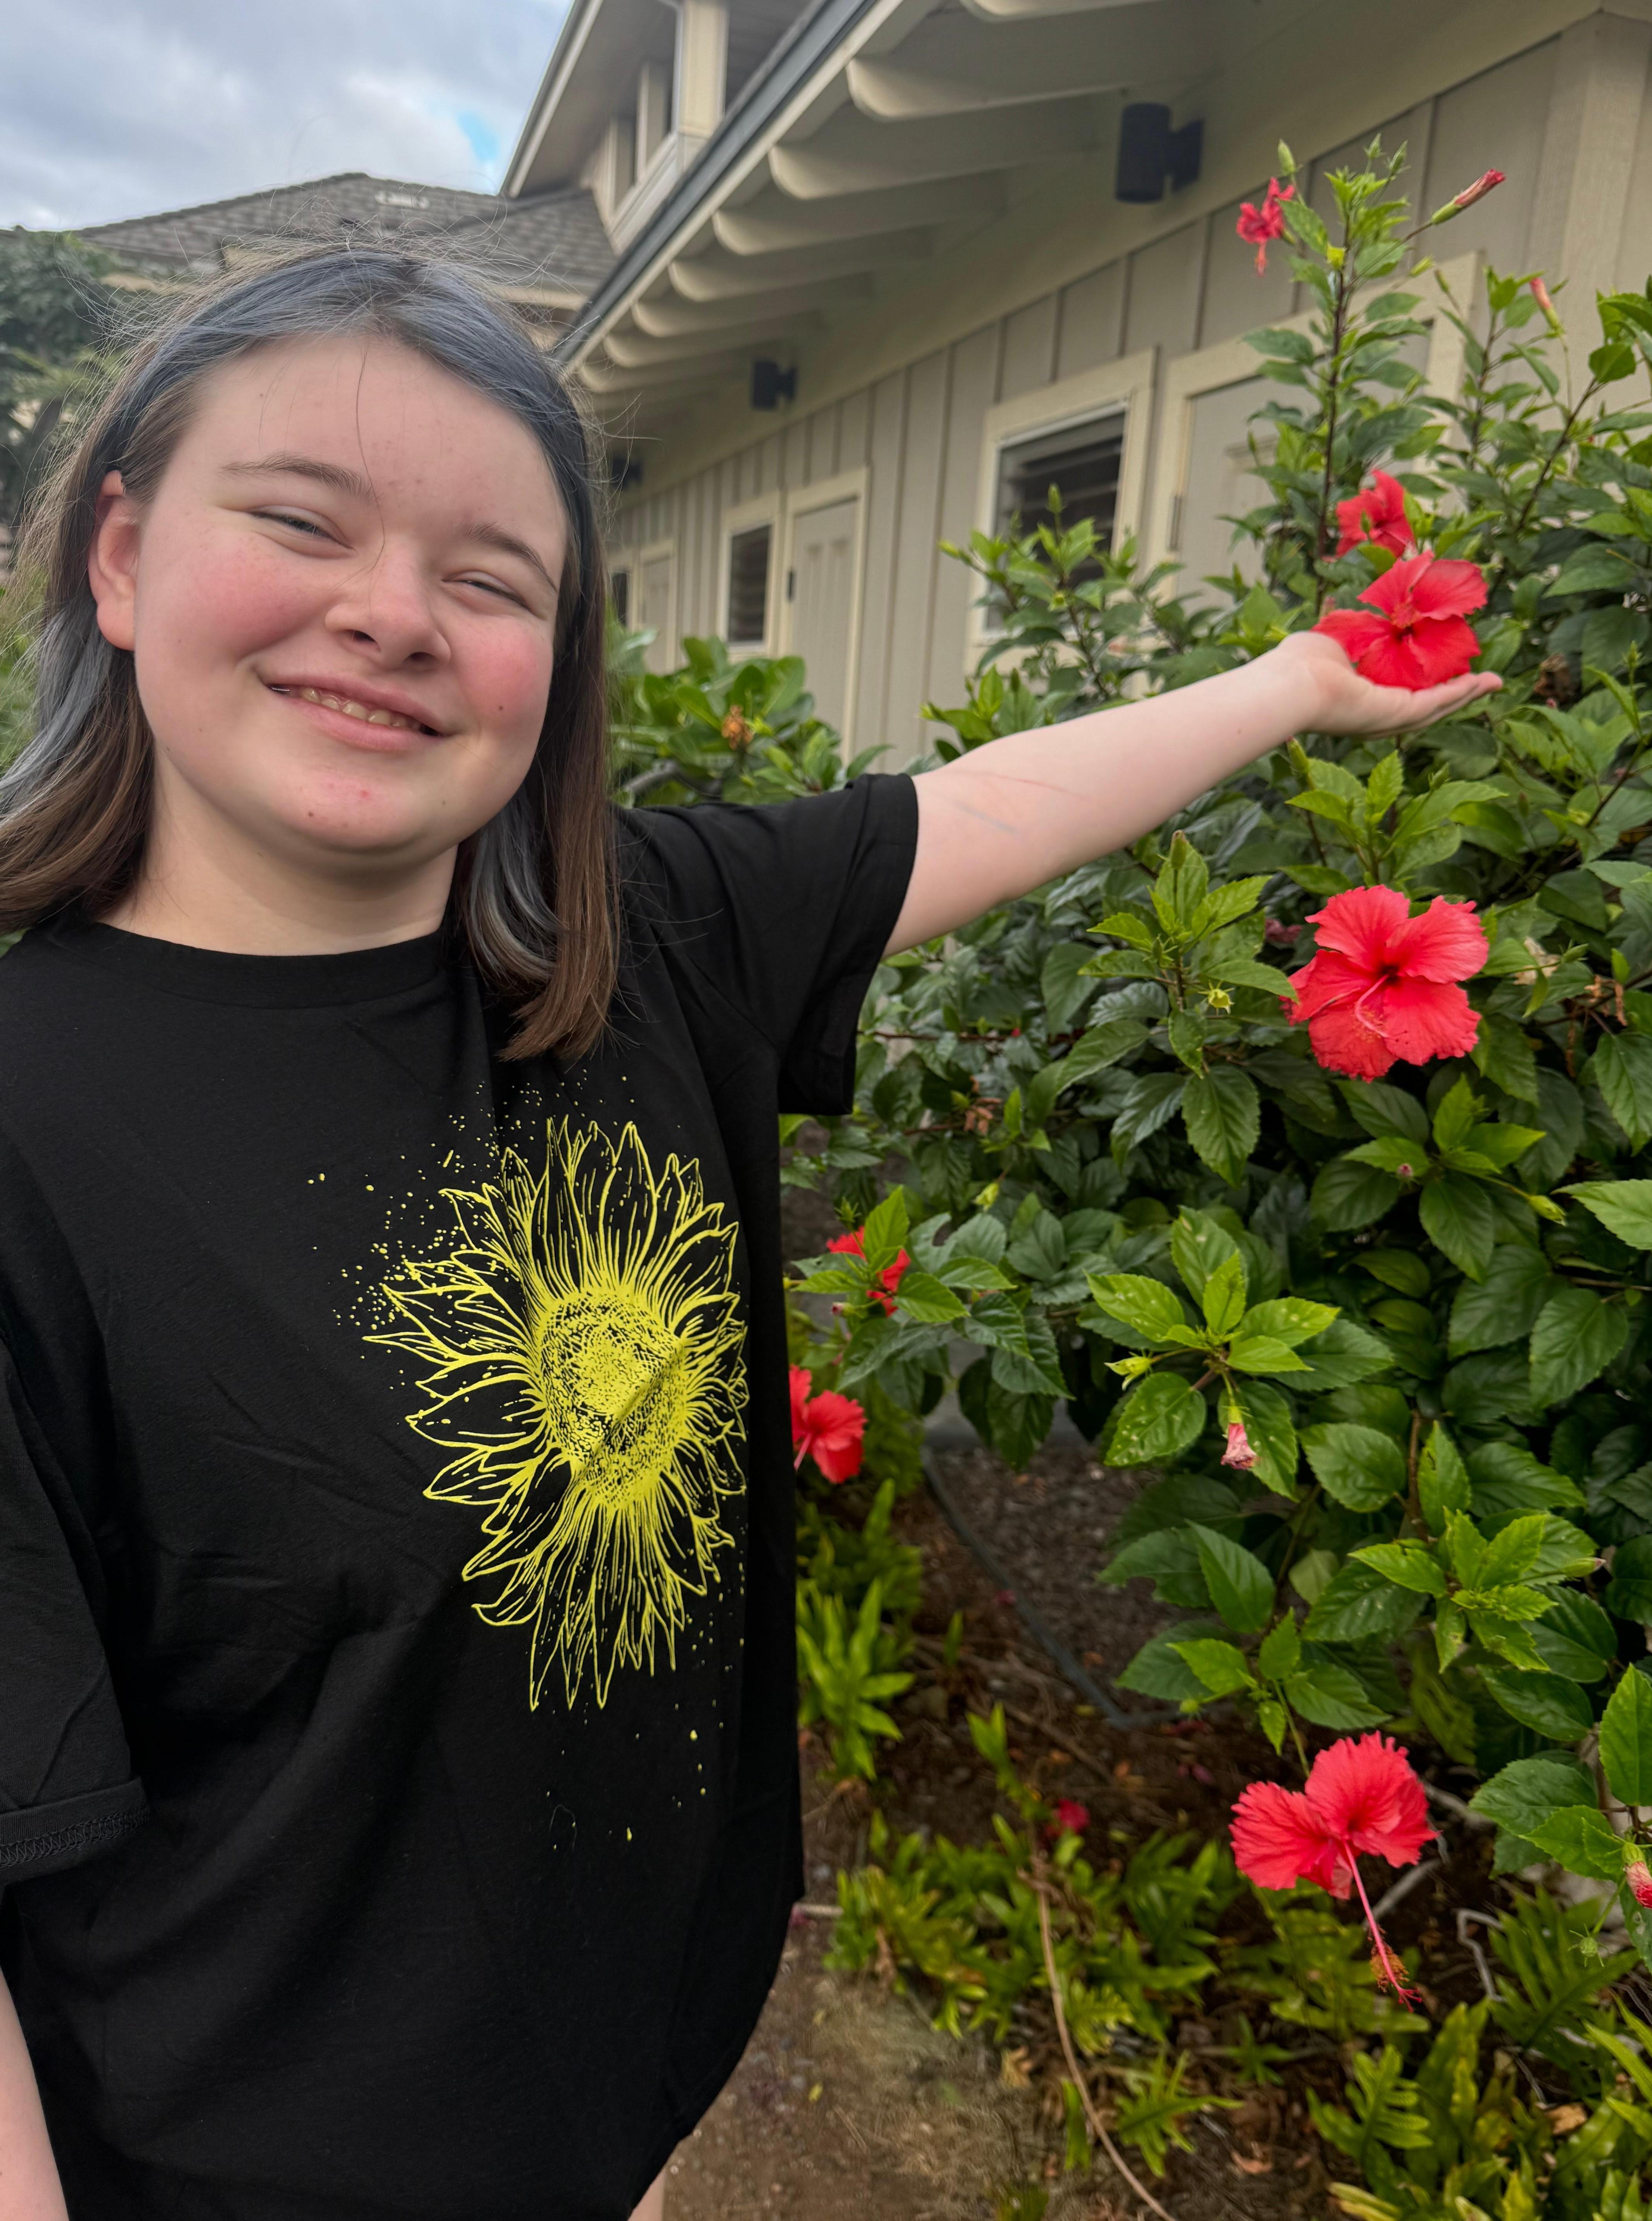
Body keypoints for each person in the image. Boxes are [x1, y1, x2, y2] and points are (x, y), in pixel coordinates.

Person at [0, 247, 1498, 2221]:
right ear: (121, 558)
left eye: (492, 578)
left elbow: (985, 808)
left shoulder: (646, 945)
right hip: (259, 2161)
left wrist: (1302, 681)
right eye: (301, 521)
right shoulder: (25, 1122)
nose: (393, 614)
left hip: (615, 2071)